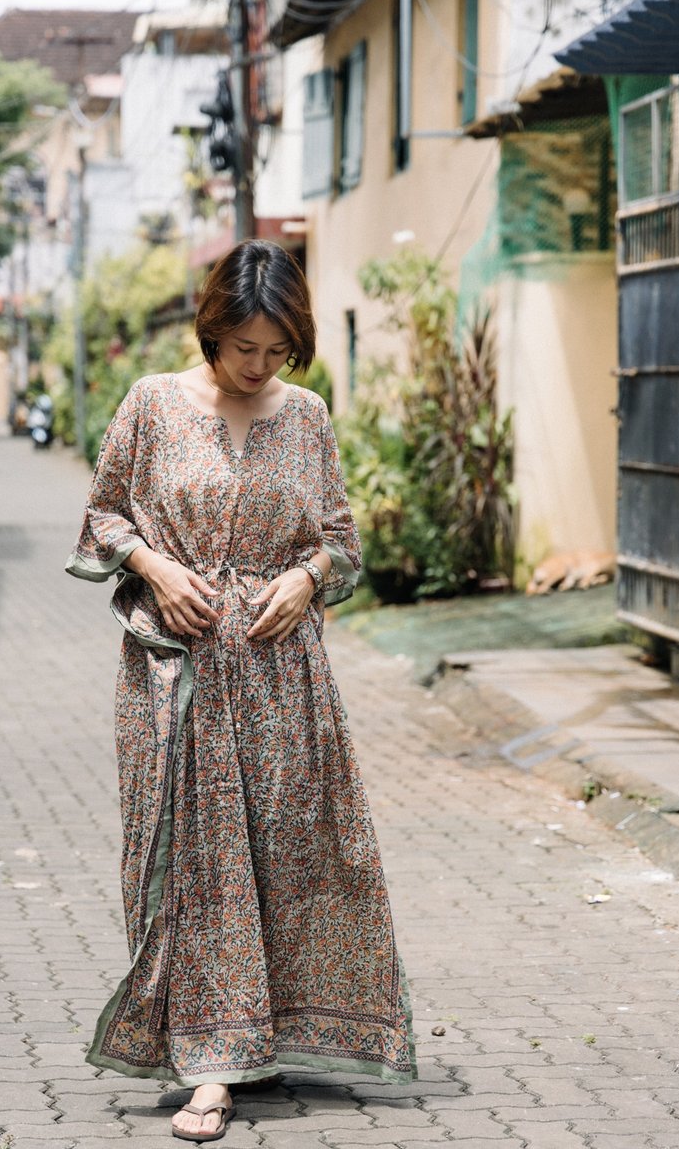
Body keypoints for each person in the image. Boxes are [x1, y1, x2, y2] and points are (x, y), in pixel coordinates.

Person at [65, 239, 416, 1144]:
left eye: (276, 352)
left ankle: (270, 1030)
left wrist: (307, 579)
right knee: (197, 862)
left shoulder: (308, 417)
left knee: (289, 853)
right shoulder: (151, 403)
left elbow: (340, 538)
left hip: (281, 677)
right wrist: (153, 563)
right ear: (211, 329)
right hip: (174, 677)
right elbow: (103, 512)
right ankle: (209, 1066)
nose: (258, 368)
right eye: (243, 350)